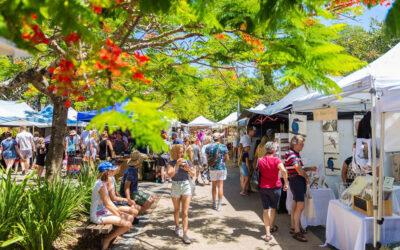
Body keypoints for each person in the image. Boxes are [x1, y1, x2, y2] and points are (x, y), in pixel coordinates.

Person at [90, 162, 133, 250]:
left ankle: (112, 237)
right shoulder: (100, 184)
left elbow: (109, 201)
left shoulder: (104, 183)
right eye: (112, 170)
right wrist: (118, 214)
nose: (114, 172)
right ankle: (107, 239)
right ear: (107, 172)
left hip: (104, 212)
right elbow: (107, 204)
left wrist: (118, 212)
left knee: (129, 218)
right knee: (127, 224)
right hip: (98, 215)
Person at [284, 135, 317, 242]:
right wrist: (306, 177)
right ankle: (297, 231)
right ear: (295, 144)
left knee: (295, 205)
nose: (303, 145)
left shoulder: (294, 154)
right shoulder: (291, 153)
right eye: (301, 143)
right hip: (297, 181)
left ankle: (294, 227)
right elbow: (297, 168)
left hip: (296, 181)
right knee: (300, 206)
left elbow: (299, 168)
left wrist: (308, 168)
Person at [258, 142, 289, 242]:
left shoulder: (260, 160)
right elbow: (284, 170)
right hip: (275, 187)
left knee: (265, 210)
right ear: (274, 151)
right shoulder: (277, 160)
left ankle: (267, 234)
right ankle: (271, 226)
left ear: (265, 150)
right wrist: (286, 183)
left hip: (263, 187)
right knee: (273, 208)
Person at [167, 144, 195, 244]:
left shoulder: (187, 161)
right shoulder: (171, 163)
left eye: (183, 151)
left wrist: (187, 168)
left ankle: (185, 234)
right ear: (175, 153)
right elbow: (170, 176)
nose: (182, 154)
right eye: (180, 152)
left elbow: (193, 174)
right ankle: (177, 226)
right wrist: (177, 165)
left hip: (186, 185)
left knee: (185, 212)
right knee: (177, 210)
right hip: (175, 186)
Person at [206, 132, 229, 211]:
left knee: (213, 186)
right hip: (221, 168)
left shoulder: (208, 147)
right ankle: (219, 205)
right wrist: (222, 162)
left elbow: (208, 159)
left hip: (212, 168)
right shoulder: (223, 147)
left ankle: (213, 203)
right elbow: (227, 158)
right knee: (220, 186)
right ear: (219, 138)